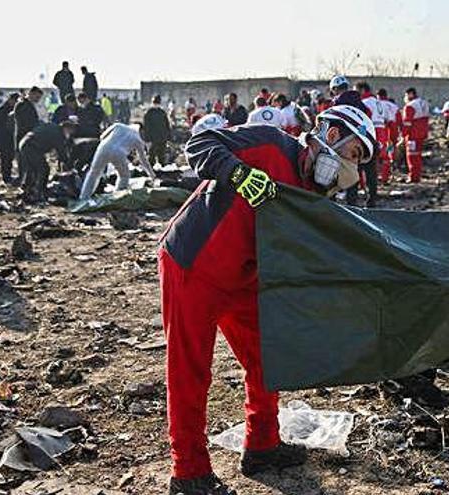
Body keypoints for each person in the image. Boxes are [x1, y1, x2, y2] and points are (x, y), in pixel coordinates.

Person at [159, 104, 376, 495]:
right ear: (331, 137)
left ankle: (262, 444)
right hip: (195, 263)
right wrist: (238, 174)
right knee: (190, 370)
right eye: (355, 154)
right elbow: (200, 143)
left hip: (244, 275)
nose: (353, 169)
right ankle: (188, 472)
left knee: (266, 356)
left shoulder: (314, 192)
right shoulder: (270, 144)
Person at [79, 123, 156, 199]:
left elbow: (102, 136)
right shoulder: (138, 139)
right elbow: (143, 159)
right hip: (119, 153)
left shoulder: (118, 125)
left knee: (93, 173)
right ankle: (117, 196)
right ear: (141, 130)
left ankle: (83, 197)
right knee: (124, 176)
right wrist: (151, 174)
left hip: (103, 148)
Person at [18, 119, 78, 203]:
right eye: (71, 129)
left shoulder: (54, 128)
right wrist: (70, 167)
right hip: (31, 146)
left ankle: (27, 191)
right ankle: (39, 193)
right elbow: (61, 152)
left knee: (32, 169)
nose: (72, 132)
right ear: (66, 127)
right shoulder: (58, 134)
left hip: (25, 143)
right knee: (43, 169)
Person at [401, 87, 430, 183]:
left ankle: (413, 177)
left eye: (405, 95)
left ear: (410, 94)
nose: (405, 98)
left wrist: (403, 135)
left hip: (412, 134)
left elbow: (407, 123)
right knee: (417, 156)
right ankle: (417, 175)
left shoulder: (410, 106)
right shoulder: (424, 103)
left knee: (412, 156)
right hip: (422, 134)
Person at [0, 93, 19, 184]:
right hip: (4, 139)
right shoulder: (2, 110)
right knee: (5, 159)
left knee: (9, 158)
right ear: (10, 100)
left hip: (10, 138)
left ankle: (8, 176)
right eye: (15, 101)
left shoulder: (13, 109)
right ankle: (6, 177)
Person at [376, 88, 398, 184]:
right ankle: (385, 177)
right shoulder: (394, 106)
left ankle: (374, 178)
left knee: (375, 157)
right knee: (387, 157)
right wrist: (394, 138)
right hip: (389, 133)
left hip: (378, 131)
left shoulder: (377, 104)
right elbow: (396, 122)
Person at [144, 95, 172, 166]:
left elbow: (146, 127)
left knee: (153, 155)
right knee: (160, 155)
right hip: (161, 137)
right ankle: (161, 169)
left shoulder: (149, 112)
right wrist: (168, 136)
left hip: (154, 137)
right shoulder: (162, 112)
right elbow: (167, 125)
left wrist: (147, 138)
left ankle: (152, 170)